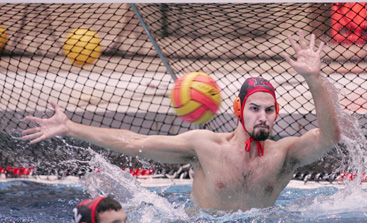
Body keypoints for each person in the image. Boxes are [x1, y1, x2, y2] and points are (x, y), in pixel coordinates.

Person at [22, 30, 340, 211]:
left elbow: (329, 138)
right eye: (255, 108)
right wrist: (70, 126)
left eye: (269, 110)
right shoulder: (203, 146)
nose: (262, 117)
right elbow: (135, 142)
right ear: (237, 108)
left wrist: (314, 78)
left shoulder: (283, 154)